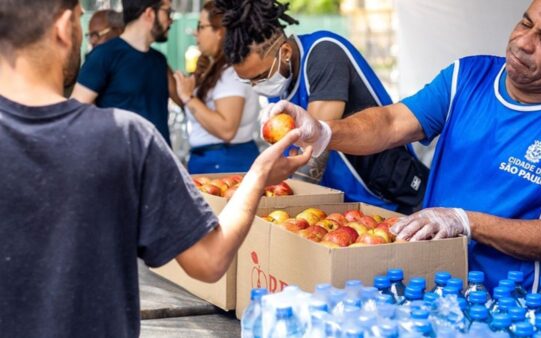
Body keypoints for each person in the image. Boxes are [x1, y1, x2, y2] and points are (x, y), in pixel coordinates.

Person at [0, 0, 311, 336]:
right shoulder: (126, 138)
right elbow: (210, 260)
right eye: (79, 20)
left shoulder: (135, 118)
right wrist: (259, 174)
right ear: (63, 28)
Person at [263, 0, 541, 296]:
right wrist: (323, 131)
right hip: (436, 287)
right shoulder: (468, 76)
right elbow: (391, 123)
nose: (522, 43)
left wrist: (466, 221)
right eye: (525, 23)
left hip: (522, 307)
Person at [215, 0, 429, 214]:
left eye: (260, 77)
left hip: (386, 196)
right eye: (248, 82)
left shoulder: (324, 54)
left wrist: (259, 189)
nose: (256, 86)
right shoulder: (281, 77)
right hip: (342, 204)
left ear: (286, 52)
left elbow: (314, 150)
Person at [71, 0, 182, 146]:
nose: (171, 19)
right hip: (120, 164)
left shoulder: (159, 61)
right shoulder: (104, 56)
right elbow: (76, 112)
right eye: (167, 12)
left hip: (160, 162)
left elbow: (185, 102)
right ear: (149, 14)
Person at [173, 1, 260, 174]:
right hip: (214, 162)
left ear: (219, 32)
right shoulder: (217, 69)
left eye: (201, 26)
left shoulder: (231, 73)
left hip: (226, 164)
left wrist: (188, 97)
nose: (196, 33)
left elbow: (227, 130)